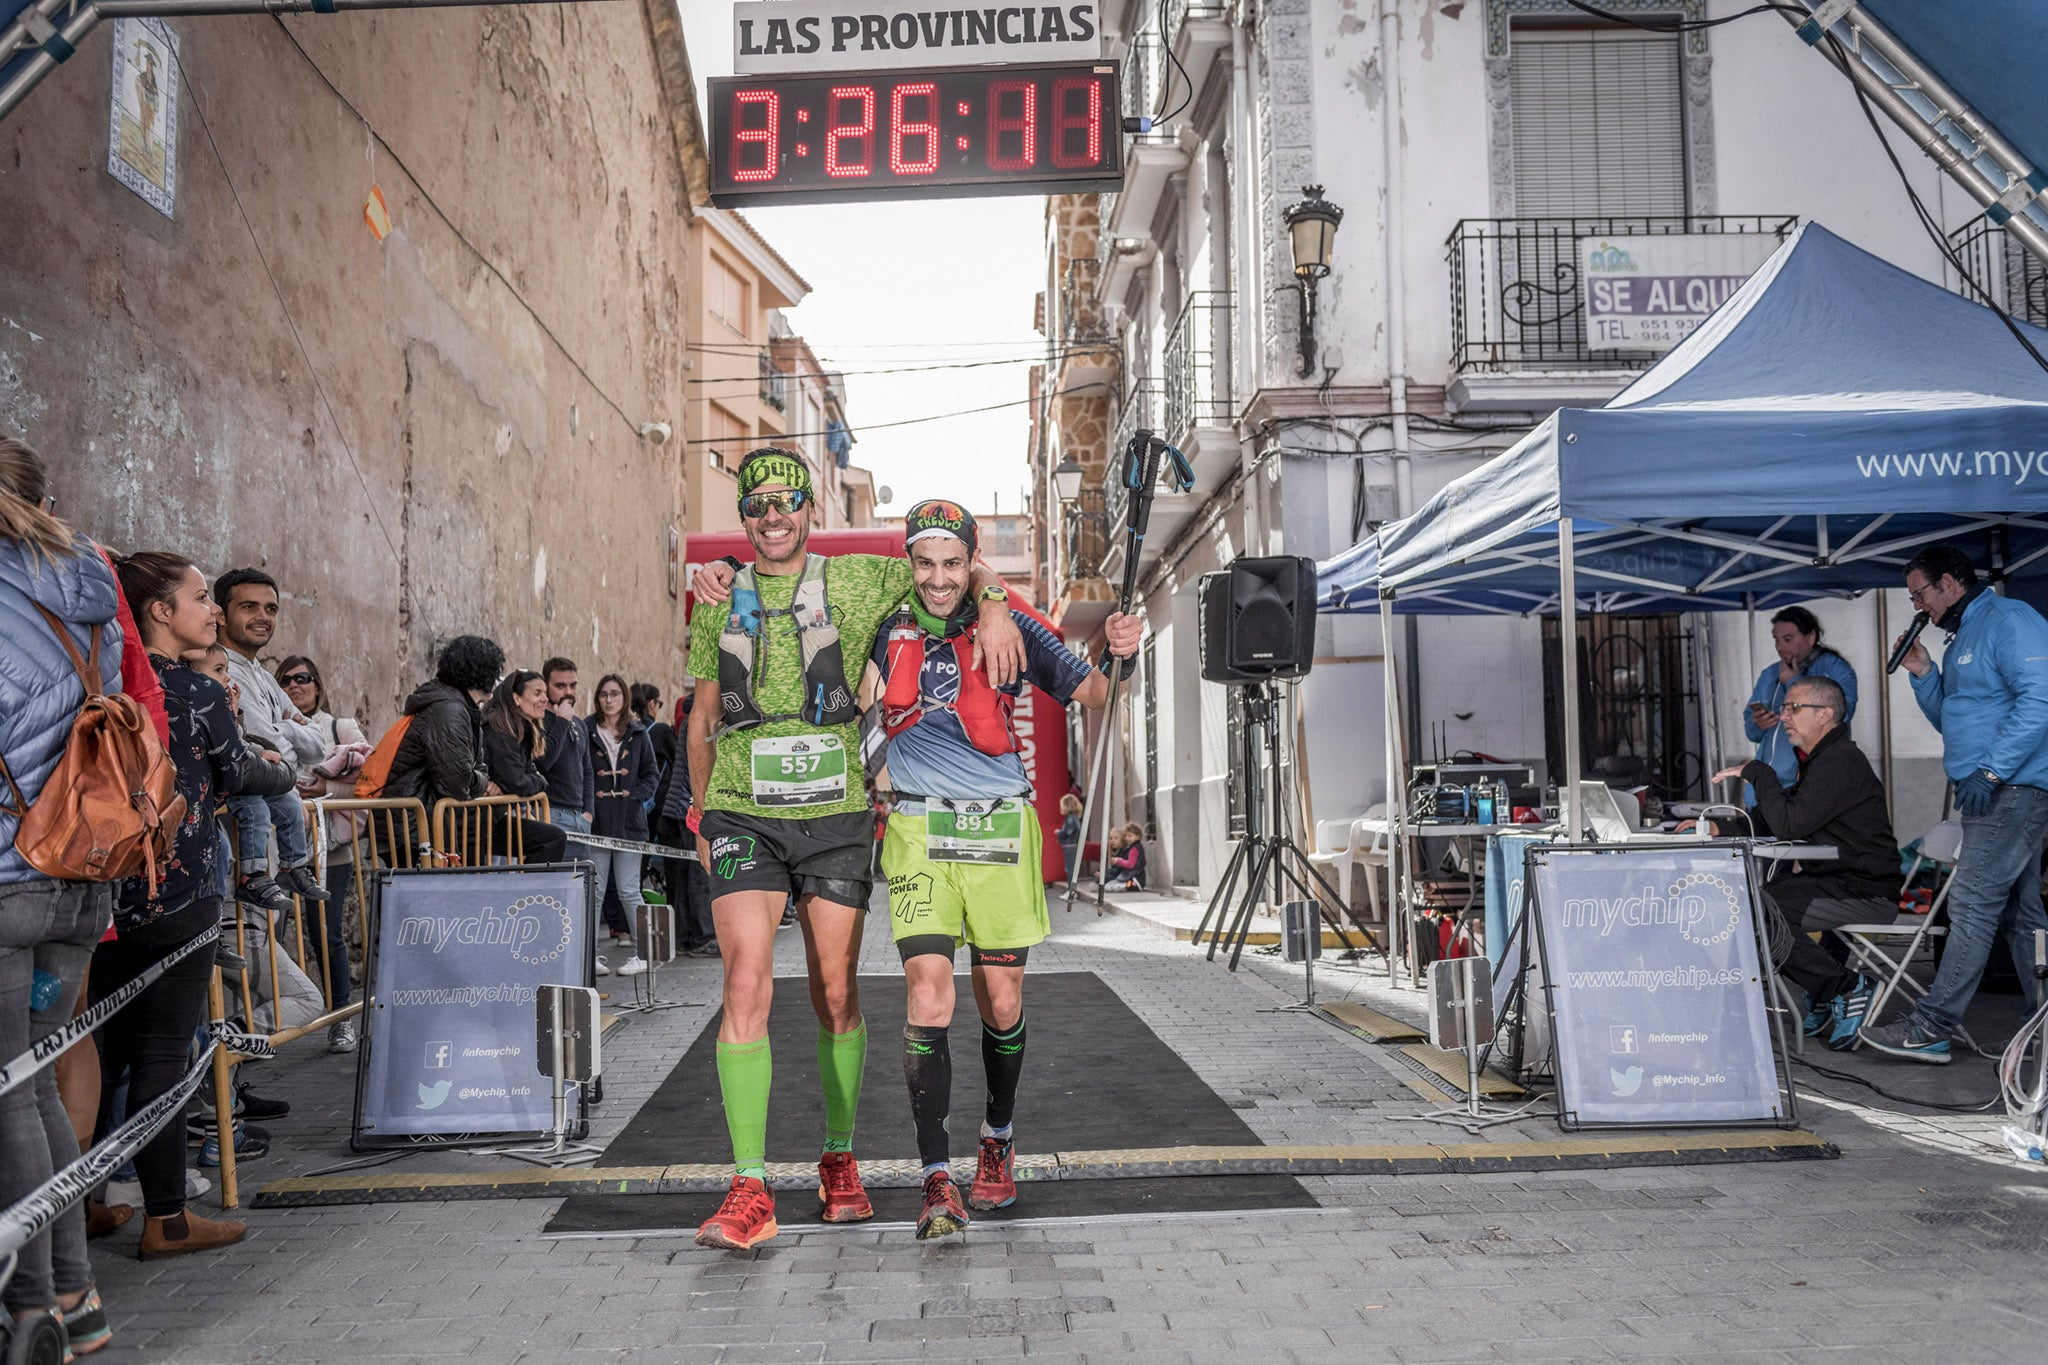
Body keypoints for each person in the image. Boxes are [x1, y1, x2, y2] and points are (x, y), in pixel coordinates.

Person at [683, 450, 1024, 1251]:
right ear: (745, 515)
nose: (774, 515)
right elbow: (701, 718)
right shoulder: (715, 600)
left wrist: (1001, 601)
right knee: (744, 978)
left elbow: (950, 574)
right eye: (759, 503)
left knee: (836, 990)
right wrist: (701, 813)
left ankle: (839, 1157)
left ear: (809, 510)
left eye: (788, 501)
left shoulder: (867, 581)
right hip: (741, 811)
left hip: (835, 812)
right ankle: (750, 1185)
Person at [859, 501, 1144, 1239]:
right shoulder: (885, 622)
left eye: (954, 563)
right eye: (926, 562)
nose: (939, 578)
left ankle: (997, 1137)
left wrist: (1120, 653)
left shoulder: (1010, 623)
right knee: (927, 995)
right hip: (919, 826)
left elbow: (1095, 693)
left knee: (1001, 997)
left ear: (969, 560)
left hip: (998, 830)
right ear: (910, 562)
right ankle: (934, 1180)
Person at [103, 550, 295, 1259]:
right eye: (196, 598)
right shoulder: (192, 689)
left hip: (105, 888)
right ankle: (167, 1215)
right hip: (179, 884)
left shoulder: (108, 681)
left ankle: (91, 1199)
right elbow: (238, 770)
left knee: (101, 1048)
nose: (210, 609)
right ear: (159, 611)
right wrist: (285, 771)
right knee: (162, 1052)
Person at [0, 438, 125, 1348]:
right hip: (80, 871)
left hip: (7, 874)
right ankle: (75, 1296)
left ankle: (32, 1305)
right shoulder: (86, 585)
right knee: (35, 1088)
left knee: (12, 1095)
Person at [1861, 545, 2048, 1064]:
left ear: (1948, 583)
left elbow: (2042, 699)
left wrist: (1991, 770)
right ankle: (2044, 1028)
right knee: (2021, 912)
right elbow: (1958, 720)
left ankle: (1932, 1026)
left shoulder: (2010, 619)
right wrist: (1923, 674)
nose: (1917, 605)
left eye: (1919, 593)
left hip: (2013, 787)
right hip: (1987, 788)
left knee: (1971, 903)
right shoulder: (1960, 637)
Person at [1711, 675, 1899, 1049]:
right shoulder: (1822, 760)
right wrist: (1719, 826)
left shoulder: (1841, 760)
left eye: (1794, 708)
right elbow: (1781, 815)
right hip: (1833, 882)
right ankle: (1829, 991)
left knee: (1758, 912)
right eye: (1784, 709)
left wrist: (1759, 771)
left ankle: (1846, 987)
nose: (1785, 717)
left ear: (1825, 714)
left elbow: (1789, 825)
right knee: (1753, 905)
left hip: (1864, 891)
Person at [384, 636, 568, 866]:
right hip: (425, 826)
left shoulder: (460, 709)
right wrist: (486, 782)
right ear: (482, 674)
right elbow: (458, 781)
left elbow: (477, 767)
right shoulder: (449, 712)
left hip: (457, 823)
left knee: (549, 839)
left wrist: (483, 778)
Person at [212, 568, 330, 913]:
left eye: (271, 609)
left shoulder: (262, 675)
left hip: (274, 838)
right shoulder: (223, 670)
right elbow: (271, 752)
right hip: (244, 837)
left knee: (268, 943)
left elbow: (317, 746)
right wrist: (286, 730)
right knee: (254, 950)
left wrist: (286, 728)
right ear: (221, 613)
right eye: (249, 607)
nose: (263, 617)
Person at [275, 654, 369, 1053]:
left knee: (325, 936)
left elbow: (368, 779)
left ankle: (340, 1020)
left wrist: (325, 792)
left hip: (330, 851)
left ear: (318, 685)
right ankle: (272, 1025)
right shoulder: (272, 726)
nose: (296, 686)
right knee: (270, 935)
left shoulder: (339, 727)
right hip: (278, 847)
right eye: (286, 680)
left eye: (304, 678)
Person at [1742, 607, 1857, 825]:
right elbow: (1751, 731)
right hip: (1765, 789)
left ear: (1811, 637)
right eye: (1776, 640)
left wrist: (1793, 683)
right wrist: (1758, 723)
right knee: (1762, 857)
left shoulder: (1835, 669)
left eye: (1788, 639)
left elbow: (1841, 716)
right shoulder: (1770, 674)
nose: (1780, 647)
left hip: (1806, 788)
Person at [587, 673, 658, 973]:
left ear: (624, 697)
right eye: (604, 694)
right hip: (598, 823)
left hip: (629, 823)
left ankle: (643, 954)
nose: (609, 699)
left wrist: (634, 798)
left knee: (630, 889)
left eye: (615, 693)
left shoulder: (639, 733)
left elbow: (651, 774)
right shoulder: (586, 730)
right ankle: (587, 957)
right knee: (595, 890)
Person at [650, 693, 716, 957]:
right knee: (699, 875)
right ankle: (702, 936)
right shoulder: (699, 721)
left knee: (683, 877)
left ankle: (685, 937)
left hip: (678, 808)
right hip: (689, 808)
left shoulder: (690, 720)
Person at [537, 657, 593, 846]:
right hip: (551, 814)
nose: (568, 692)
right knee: (552, 875)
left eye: (573, 685)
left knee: (581, 876)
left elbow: (587, 770)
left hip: (579, 818)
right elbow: (544, 762)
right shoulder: (537, 721)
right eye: (560, 686)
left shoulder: (579, 724)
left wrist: (589, 812)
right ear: (545, 686)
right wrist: (561, 721)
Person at [1107, 823, 1147, 891]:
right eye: (1126, 836)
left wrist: (1118, 860)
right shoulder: (1132, 847)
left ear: (1137, 836)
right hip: (1134, 878)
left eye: (1130, 836)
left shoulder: (1135, 848)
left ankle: (1130, 886)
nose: (1127, 838)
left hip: (1135, 879)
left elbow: (1130, 864)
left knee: (1110, 887)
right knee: (1110, 885)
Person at [1055, 793, 1082, 886]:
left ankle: (1072, 890)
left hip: (1070, 845)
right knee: (1071, 868)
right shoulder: (1074, 817)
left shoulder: (1070, 818)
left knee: (1070, 869)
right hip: (1072, 845)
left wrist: (1058, 832)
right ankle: (1071, 889)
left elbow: (1067, 831)